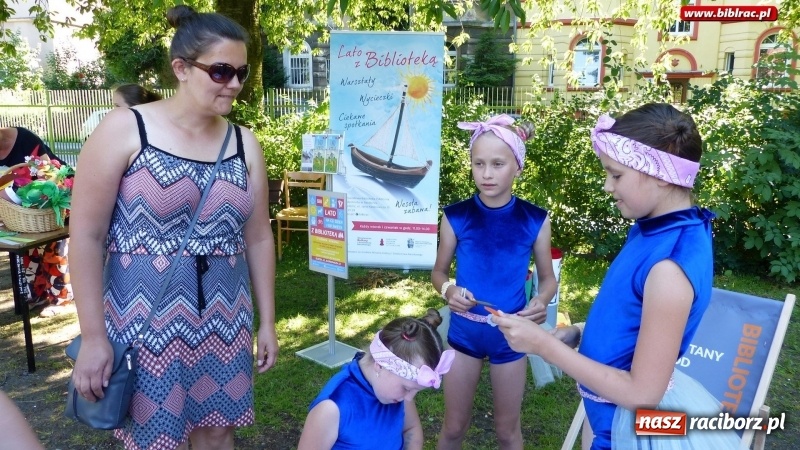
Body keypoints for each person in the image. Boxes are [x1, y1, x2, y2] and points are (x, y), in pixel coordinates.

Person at [69, 5, 278, 450]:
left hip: (226, 317)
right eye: (221, 71)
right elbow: (86, 237)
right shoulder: (126, 129)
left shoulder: (244, 143)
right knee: (157, 435)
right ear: (181, 68)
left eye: (241, 72)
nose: (235, 84)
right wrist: (93, 336)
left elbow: (259, 237)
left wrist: (268, 323)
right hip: (145, 320)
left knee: (219, 430)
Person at [495, 103, 741, 449]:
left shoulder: (669, 266)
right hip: (605, 421)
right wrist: (580, 332)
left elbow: (642, 393)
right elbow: (634, 318)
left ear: (660, 173)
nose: (607, 187)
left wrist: (543, 345)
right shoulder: (657, 230)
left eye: (616, 175)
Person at [431, 114, 558, 450]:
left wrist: (541, 300)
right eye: (479, 164)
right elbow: (438, 272)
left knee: (507, 431)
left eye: (497, 164)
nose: (486, 174)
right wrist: (448, 289)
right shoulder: (456, 216)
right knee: (453, 427)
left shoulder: (535, 219)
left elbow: (548, 279)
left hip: (511, 335)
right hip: (463, 333)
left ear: (518, 167)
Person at [298, 309, 455, 450]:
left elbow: (411, 429)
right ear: (380, 365)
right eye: (407, 388)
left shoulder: (398, 391)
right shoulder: (331, 408)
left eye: (415, 391)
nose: (409, 398)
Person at [0, 126, 74, 317]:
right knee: (26, 248)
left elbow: (49, 173)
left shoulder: (25, 139)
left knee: (52, 246)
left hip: (53, 199)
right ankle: (37, 294)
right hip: (20, 211)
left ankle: (61, 298)